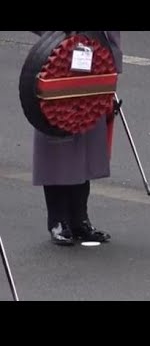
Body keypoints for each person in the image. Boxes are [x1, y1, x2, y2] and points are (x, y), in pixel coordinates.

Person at [29, 31, 123, 246]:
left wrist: (112, 66)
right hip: (57, 61)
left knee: (86, 143)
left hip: (94, 59)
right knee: (57, 147)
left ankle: (80, 218)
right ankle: (58, 220)